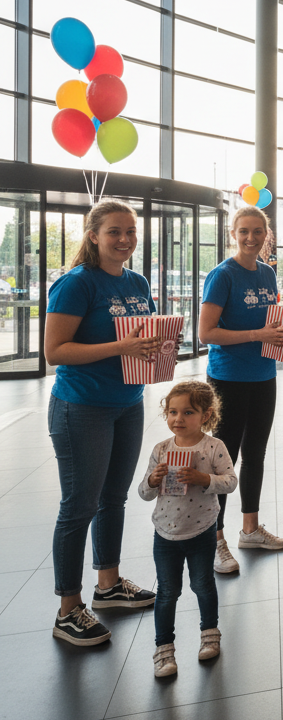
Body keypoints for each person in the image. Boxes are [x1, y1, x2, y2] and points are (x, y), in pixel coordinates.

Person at [45, 200, 159, 647]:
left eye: (131, 231)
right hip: (81, 407)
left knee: (114, 498)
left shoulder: (137, 281)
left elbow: (138, 337)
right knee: (79, 506)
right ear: (93, 235)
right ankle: (68, 609)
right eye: (115, 231)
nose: (125, 239)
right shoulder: (76, 284)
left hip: (128, 402)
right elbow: (56, 352)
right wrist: (120, 348)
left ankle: (108, 584)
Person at [199, 206, 283, 576]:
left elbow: (269, 323)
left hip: (263, 375)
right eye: (244, 231)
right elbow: (206, 334)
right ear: (232, 234)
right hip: (228, 379)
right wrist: (258, 335)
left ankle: (250, 529)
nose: (250, 238)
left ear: (266, 234)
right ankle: (215, 537)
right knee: (225, 461)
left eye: (257, 231)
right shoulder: (222, 275)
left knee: (255, 454)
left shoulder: (267, 273)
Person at [139, 380, 237, 677]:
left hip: (201, 531)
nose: (178, 419)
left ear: (206, 415)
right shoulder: (161, 449)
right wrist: (153, 481)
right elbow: (143, 493)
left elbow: (231, 482)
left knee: (203, 584)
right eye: (172, 412)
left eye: (187, 412)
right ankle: (163, 649)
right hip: (165, 534)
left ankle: (210, 633)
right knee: (167, 592)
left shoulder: (213, 447)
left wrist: (203, 478)